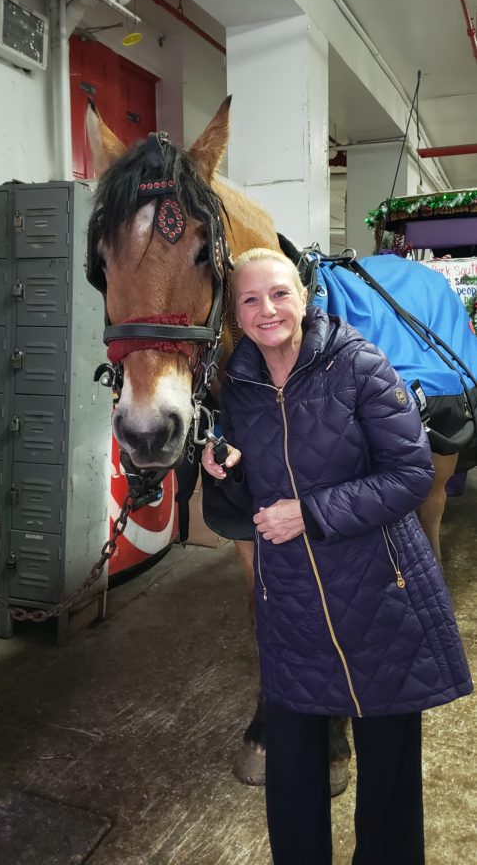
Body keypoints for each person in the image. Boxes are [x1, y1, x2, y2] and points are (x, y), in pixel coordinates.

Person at [201, 248, 472, 865]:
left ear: (303, 296)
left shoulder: (359, 365)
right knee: (292, 775)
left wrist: (312, 512)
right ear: (234, 315)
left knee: (390, 775)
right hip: (293, 605)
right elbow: (252, 497)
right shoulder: (238, 391)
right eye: (249, 299)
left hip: (381, 595)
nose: (266, 309)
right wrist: (223, 473)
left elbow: (409, 474)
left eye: (278, 294)